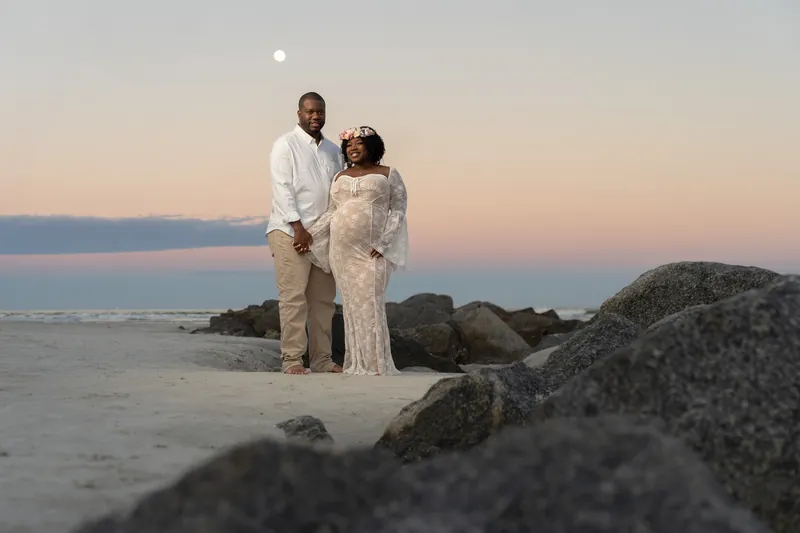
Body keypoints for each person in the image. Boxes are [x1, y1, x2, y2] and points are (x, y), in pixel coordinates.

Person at [307, 126, 409, 375]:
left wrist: (384, 244)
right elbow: (332, 211)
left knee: (371, 303)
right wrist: (309, 234)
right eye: (349, 144)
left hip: (372, 251)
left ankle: (376, 364)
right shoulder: (340, 176)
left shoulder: (389, 174)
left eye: (359, 143)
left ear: (372, 146)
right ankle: (357, 363)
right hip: (342, 251)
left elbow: (398, 210)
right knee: (352, 306)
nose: (352, 148)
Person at [265, 92, 344, 375]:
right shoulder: (285, 145)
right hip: (290, 232)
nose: (315, 116)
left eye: (320, 112)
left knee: (324, 301)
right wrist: (297, 227)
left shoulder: (334, 151)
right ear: (299, 113)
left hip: (323, 236)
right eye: (310, 111)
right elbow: (282, 188)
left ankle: (322, 359)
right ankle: (292, 360)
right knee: (294, 298)